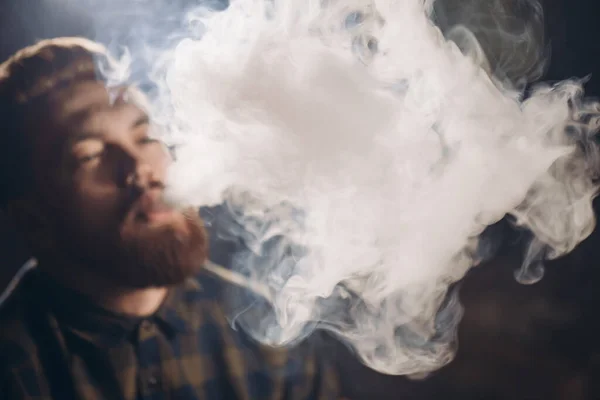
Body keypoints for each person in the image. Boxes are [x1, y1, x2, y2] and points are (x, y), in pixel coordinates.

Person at [0, 37, 341, 400]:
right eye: (91, 155)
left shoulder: (266, 324)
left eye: (146, 137)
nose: (141, 169)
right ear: (33, 218)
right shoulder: (14, 368)